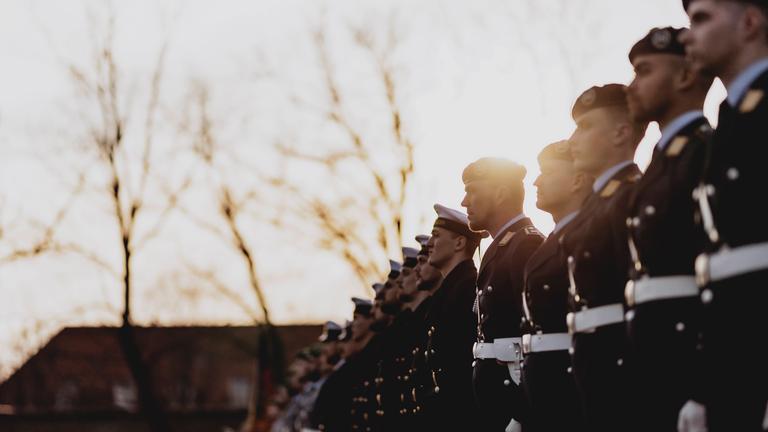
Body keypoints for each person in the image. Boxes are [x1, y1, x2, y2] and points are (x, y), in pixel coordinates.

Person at [680, 1, 768, 429]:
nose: (686, 35)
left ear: (750, 22)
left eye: (701, 18)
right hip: (735, 362)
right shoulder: (730, 118)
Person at [624, 26, 714, 432]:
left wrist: (704, 383)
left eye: (644, 71)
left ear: (683, 76)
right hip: (651, 355)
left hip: (686, 360)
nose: (632, 86)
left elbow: (717, 280)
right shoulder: (660, 163)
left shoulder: (704, 151)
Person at [560, 83, 647, 430]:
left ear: (621, 133)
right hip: (593, 362)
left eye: (585, 127)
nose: (572, 141)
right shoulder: (596, 203)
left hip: (623, 365)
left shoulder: (631, 195)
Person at [461, 157, 544, 431]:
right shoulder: (503, 246)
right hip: (496, 394)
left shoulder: (525, 244)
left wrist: (522, 412)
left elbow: (536, 332)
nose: (465, 202)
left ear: (500, 194)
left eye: (473, 191)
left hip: (513, 392)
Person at [521, 140, 591, 432]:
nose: (537, 181)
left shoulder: (586, 234)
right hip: (544, 389)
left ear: (577, 180)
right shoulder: (552, 242)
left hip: (573, 389)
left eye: (547, 172)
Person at [419, 204, 484, 431]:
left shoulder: (468, 287)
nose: (429, 244)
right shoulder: (450, 290)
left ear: (459, 242)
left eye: (436, 236)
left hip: (460, 416)